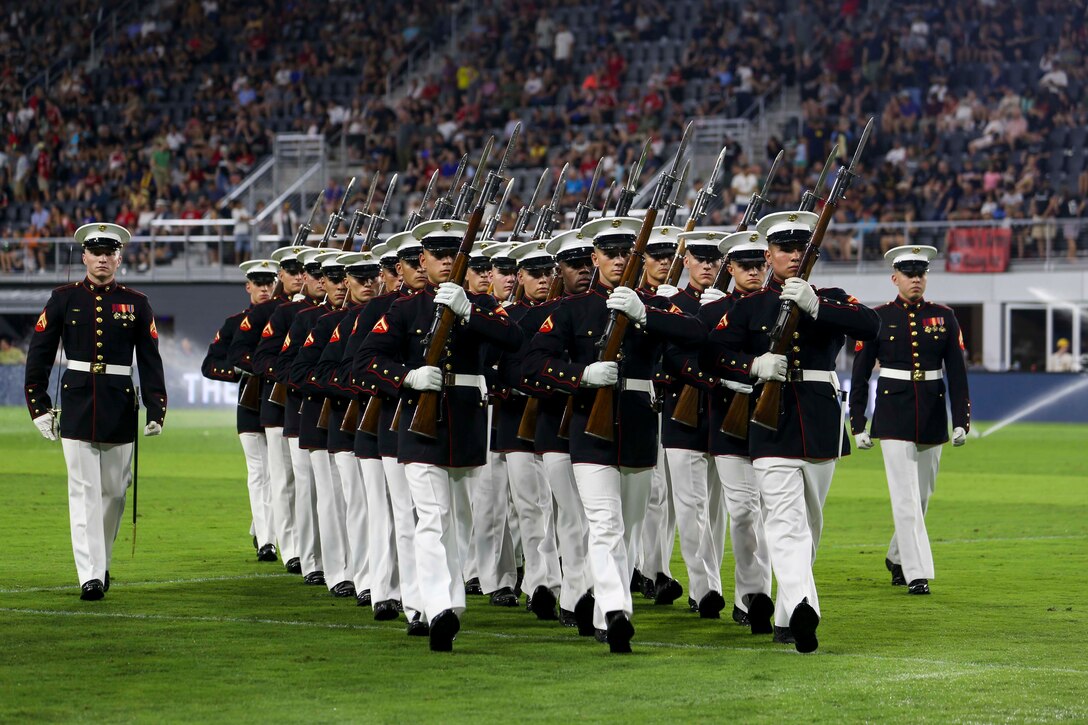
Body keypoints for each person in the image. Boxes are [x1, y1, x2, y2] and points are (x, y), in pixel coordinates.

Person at [522, 216, 705, 653]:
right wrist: (580, 374)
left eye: (628, 254)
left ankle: (610, 605)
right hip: (589, 426)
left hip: (639, 423)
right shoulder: (574, 309)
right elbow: (532, 364)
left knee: (630, 528)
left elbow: (697, 333)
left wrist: (647, 315)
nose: (620, 261)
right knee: (603, 525)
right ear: (595, 258)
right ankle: (616, 612)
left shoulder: (654, 305)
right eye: (611, 254)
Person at [703, 211, 880, 652]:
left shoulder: (831, 297)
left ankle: (787, 614)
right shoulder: (749, 307)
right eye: (785, 248)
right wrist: (751, 366)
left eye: (802, 248)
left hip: (820, 420)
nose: (794, 255)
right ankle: (803, 606)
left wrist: (817, 307)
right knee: (785, 523)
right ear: (769, 255)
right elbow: (712, 354)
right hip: (771, 421)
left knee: (811, 525)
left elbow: (871, 326)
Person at [357, 219, 523, 652]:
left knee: (461, 522)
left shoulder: (483, 305)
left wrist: (469, 312)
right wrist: (408, 377)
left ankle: (450, 601)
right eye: (439, 256)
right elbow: (369, 361)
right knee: (431, 519)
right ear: (423, 261)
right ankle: (440, 608)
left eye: (455, 256)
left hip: (467, 423)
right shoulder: (405, 309)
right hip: (419, 424)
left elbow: (515, 338)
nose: (447, 262)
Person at [24, 222, 167, 600]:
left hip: (119, 404)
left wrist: (157, 407)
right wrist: (38, 405)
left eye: (110, 253)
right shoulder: (62, 298)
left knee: (115, 493)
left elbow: (151, 360)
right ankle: (90, 574)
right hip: (76, 402)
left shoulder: (137, 303)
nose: (102, 259)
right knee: (84, 491)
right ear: (84, 256)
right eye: (96, 253)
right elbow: (38, 354)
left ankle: (99, 560)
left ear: (119, 258)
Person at [850, 245, 971, 596]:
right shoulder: (877, 318)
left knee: (921, 497)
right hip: (892, 413)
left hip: (932, 412)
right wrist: (858, 422)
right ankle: (916, 572)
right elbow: (859, 376)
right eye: (909, 274)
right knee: (904, 496)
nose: (916, 279)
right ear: (895, 278)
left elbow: (958, 375)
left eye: (921, 273)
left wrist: (961, 418)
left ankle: (896, 555)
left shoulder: (944, 316)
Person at [695, 231, 773, 629]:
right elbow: (698, 358)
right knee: (743, 512)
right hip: (730, 419)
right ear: (730, 269)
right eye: (746, 266)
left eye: (760, 264)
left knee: (769, 512)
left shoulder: (778, 307)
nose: (755, 272)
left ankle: (756, 596)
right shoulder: (715, 310)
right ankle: (751, 593)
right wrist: (734, 375)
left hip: (775, 420)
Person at [229, 244, 308, 575]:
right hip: (269, 404)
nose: (300, 277)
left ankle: (285, 539)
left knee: (297, 480)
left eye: (304, 271)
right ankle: (274, 540)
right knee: (275, 477)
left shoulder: (315, 310)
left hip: (304, 404)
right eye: (291, 271)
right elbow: (238, 355)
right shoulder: (263, 314)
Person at [203, 259, 280, 561]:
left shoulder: (287, 319)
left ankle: (260, 526)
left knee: (279, 474)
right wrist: (237, 371)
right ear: (248, 286)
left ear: (276, 285)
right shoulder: (235, 324)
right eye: (258, 283)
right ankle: (266, 540)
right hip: (250, 404)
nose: (263, 288)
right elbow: (209, 365)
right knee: (259, 473)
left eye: (269, 283)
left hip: (280, 404)